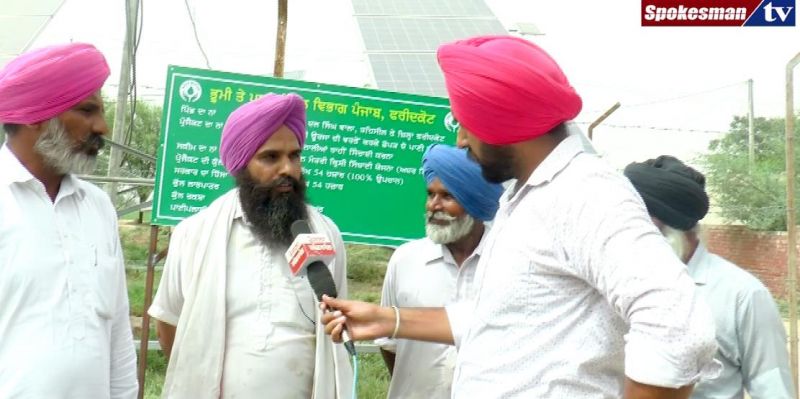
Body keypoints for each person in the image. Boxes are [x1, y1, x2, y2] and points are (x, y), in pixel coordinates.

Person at [321, 35, 719, 399]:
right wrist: (388, 319)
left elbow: (677, 325)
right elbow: (502, 316)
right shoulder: (525, 199)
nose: (460, 140)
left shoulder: (585, 193)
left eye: (466, 125)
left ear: (503, 119)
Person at [148, 93, 352, 399]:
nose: (287, 169)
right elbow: (169, 323)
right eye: (271, 157)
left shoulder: (325, 234)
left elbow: (338, 323)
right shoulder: (194, 234)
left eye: (294, 156)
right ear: (242, 165)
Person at [0, 43, 138, 398]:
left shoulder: (98, 207)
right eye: (87, 111)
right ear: (36, 114)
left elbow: (118, 331)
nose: (103, 127)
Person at [624, 155, 794, 399]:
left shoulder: (742, 294)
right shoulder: (618, 285)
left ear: (671, 234)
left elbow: (773, 391)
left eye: (640, 227)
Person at [378, 144, 503, 399]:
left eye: (447, 196)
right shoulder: (406, 260)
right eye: (430, 194)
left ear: (474, 202)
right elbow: (389, 345)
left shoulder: (506, 262)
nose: (434, 206)